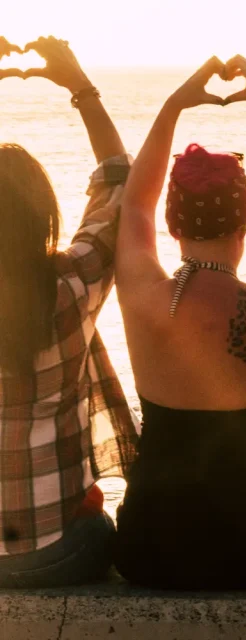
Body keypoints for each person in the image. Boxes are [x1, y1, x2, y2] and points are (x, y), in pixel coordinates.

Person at [111, 56, 246, 589]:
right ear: (245, 216)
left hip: (152, 545)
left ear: (172, 220)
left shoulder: (144, 296)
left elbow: (134, 203)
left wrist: (173, 107)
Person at [0, 37, 138, 588]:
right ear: (44, 215)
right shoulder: (71, 286)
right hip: (57, 555)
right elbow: (119, 181)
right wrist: (80, 88)